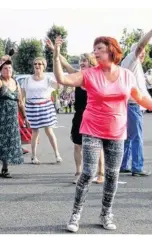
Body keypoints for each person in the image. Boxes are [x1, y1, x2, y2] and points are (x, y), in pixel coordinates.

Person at [51, 35, 152, 232]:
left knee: (112, 175)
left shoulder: (126, 75)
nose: (95, 52)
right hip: (92, 129)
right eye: (94, 48)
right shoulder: (89, 74)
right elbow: (62, 79)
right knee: (87, 173)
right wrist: (56, 56)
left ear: (111, 51)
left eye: (100, 49)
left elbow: (140, 98)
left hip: (116, 131)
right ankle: (75, 214)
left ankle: (106, 213)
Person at [47, 44, 105, 184]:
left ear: (91, 62)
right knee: (77, 145)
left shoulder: (98, 78)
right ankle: (79, 172)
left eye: (84, 60)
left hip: (95, 116)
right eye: (80, 61)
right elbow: (65, 63)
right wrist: (55, 50)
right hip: (79, 115)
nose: (81, 63)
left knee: (97, 146)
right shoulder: (78, 77)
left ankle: (101, 173)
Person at [120, 20, 152, 176]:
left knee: (127, 137)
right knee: (136, 137)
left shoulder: (132, 64)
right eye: (142, 52)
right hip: (132, 105)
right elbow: (140, 46)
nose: (143, 54)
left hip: (128, 105)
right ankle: (137, 167)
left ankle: (124, 164)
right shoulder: (131, 60)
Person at [21, 57, 62, 164]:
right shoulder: (27, 79)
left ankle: (57, 154)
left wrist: (59, 74)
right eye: (35, 64)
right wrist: (23, 113)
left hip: (46, 107)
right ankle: (34, 157)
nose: (37, 66)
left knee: (49, 131)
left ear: (44, 66)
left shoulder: (48, 79)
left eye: (40, 64)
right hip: (32, 108)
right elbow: (22, 96)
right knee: (34, 132)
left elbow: (58, 86)